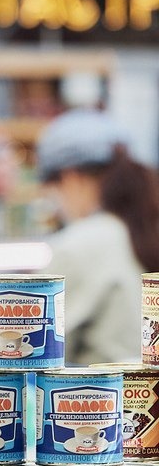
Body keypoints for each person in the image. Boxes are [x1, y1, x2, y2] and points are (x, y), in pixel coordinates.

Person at [36, 109, 159, 364]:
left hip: (100, 401)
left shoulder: (82, 243)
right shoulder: (142, 226)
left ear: (71, 177)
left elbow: (39, 352)